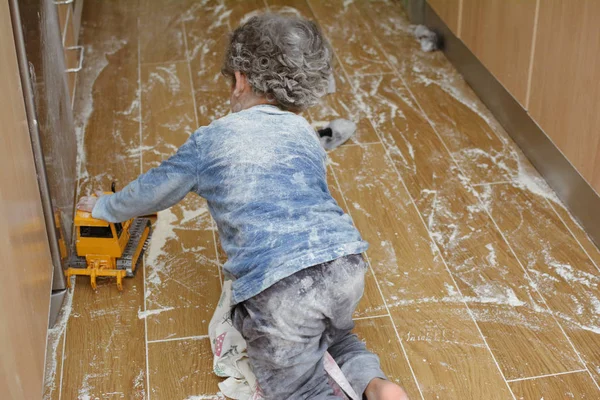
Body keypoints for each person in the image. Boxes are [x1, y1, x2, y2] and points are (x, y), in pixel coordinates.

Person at [79, 13, 409, 400]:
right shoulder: (303, 132)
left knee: (295, 385)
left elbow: (155, 190)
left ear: (240, 80)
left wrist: (107, 207)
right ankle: (377, 385)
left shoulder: (212, 140)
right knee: (334, 334)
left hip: (281, 286)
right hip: (345, 262)